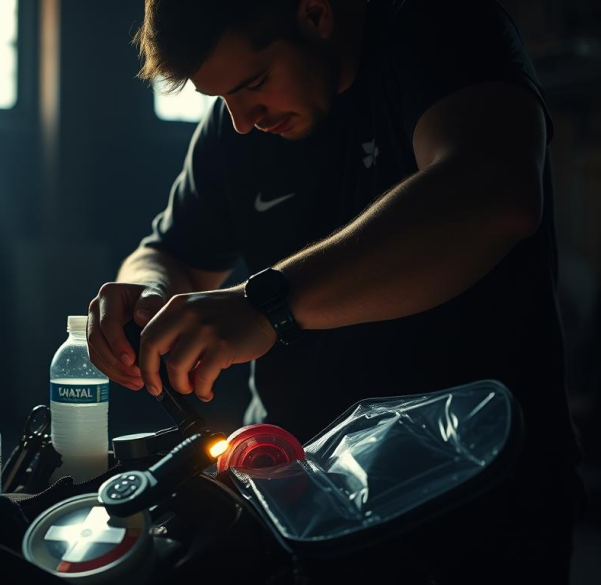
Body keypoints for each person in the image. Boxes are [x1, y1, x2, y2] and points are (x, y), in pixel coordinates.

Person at [87, 0, 583, 581]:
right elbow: (168, 252)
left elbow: (492, 197)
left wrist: (266, 305)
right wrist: (146, 293)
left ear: (316, 14)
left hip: (473, 494)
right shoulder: (237, 126)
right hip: (293, 503)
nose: (243, 119)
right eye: (222, 99)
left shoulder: (441, 30)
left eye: (253, 84)